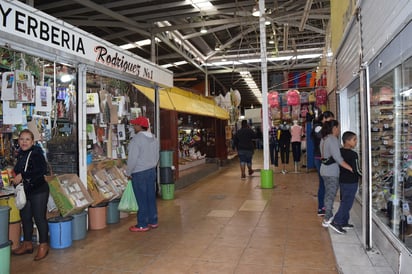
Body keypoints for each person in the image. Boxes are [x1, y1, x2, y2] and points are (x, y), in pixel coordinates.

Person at [12, 129, 49, 261]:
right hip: (26, 191)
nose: (24, 142)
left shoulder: (36, 153)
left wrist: (23, 175)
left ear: (33, 142)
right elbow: (18, 171)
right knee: (26, 218)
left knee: (39, 218)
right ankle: (27, 243)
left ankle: (44, 245)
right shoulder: (21, 154)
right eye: (22, 139)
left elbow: (42, 170)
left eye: (27, 139)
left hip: (39, 190)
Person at [126, 116, 160, 232]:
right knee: (150, 197)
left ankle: (142, 224)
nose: (134, 126)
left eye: (135, 125)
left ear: (139, 126)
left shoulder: (136, 140)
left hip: (139, 173)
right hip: (151, 171)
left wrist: (129, 172)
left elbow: (132, 159)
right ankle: (153, 220)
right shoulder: (154, 139)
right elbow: (156, 156)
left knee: (141, 199)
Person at [320, 120, 353, 229]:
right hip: (331, 172)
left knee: (328, 193)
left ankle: (328, 216)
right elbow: (338, 158)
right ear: (334, 128)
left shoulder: (324, 139)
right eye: (338, 127)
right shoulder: (333, 139)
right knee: (330, 195)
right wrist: (350, 167)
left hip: (324, 170)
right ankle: (327, 218)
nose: (339, 130)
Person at [329, 131, 362, 234]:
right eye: (354, 140)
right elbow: (356, 169)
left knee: (345, 201)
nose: (356, 142)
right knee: (347, 203)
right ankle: (337, 221)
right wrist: (364, 176)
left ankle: (344, 221)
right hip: (351, 182)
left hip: (342, 180)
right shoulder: (353, 154)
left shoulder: (339, 152)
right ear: (347, 141)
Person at [312, 110, 334, 216]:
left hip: (323, 158)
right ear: (325, 118)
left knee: (326, 183)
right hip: (319, 158)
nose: (331, 123)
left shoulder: (321, 127)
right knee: (323, 183)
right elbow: (322, 138)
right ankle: (321, 207)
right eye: (330, 120)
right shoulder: (318, 127)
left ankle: (325, 205)